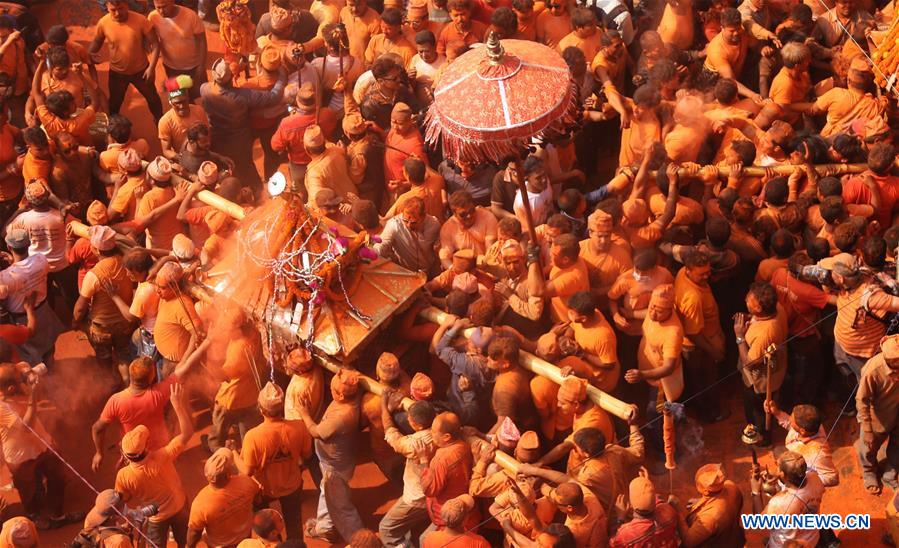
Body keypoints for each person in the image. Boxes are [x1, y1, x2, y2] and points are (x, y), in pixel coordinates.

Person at [114, 382, 193, 548]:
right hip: (179, 507)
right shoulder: (162, 456)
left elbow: (123, 499)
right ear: (145, 449)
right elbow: (186, 434)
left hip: (155, 518)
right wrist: (178, 406)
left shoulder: (124, 475)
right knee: (186, 543)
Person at [297, 369, 364, 543]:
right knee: (327, 492)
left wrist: (304, 413)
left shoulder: (341, 417)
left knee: (340, 505)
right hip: (339, 462)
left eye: (333, 390)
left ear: (341, 396)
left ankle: (359, 540)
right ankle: (324, 524)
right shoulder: (353, 395)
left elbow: (316, 432)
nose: (330, 391)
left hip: (334, 468)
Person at [239, 382, 312, 542]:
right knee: (294, 524)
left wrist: (233, 455)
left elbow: (247, 472)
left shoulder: (253, 436)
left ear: (260, 409)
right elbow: (307, 454)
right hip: (292, 485)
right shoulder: (299, 427)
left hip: (263, 490)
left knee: (265, 527)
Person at [89, 0, 164, 121]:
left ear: (127, 5)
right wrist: (89, 54)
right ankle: (114, 130)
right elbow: (97, 41)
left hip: (142, 72)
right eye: (113, 10)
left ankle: (161, 123)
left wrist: (151, 68)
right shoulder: (103, 23)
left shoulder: (141, 20)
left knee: (153, 99)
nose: (118, 13)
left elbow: (155, 44)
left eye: (121, 8)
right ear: (107, 7)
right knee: (114, 103)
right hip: (117, 74)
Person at [187, 448, 259, 547]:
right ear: (228, 474)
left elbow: (194, 533)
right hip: (245, 538)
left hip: (219, 545)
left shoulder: (200, 503)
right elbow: (258, 499)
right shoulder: (246, 483)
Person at [751, 451, 824, 547]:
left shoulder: (778, 503)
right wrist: (779, 480)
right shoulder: (815, 478)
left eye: (778, 468)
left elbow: (758, 524)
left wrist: (755, 492)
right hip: (812, 539)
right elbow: (797, 493)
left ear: (782, 474)